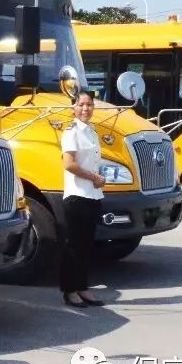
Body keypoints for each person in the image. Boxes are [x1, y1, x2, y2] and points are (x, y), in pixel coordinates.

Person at [60, 90, 107, 308]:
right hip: (77, 195)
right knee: (73, 246)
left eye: (89, 105)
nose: (85, 109)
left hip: (93, 195)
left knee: (87, 246)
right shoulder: (71, 133)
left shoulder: (92, 132)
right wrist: (94, 177)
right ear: (74, 108)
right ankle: (70, 291)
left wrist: (100, 178)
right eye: (81, 105)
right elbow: (69, 164)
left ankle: (83, 287)